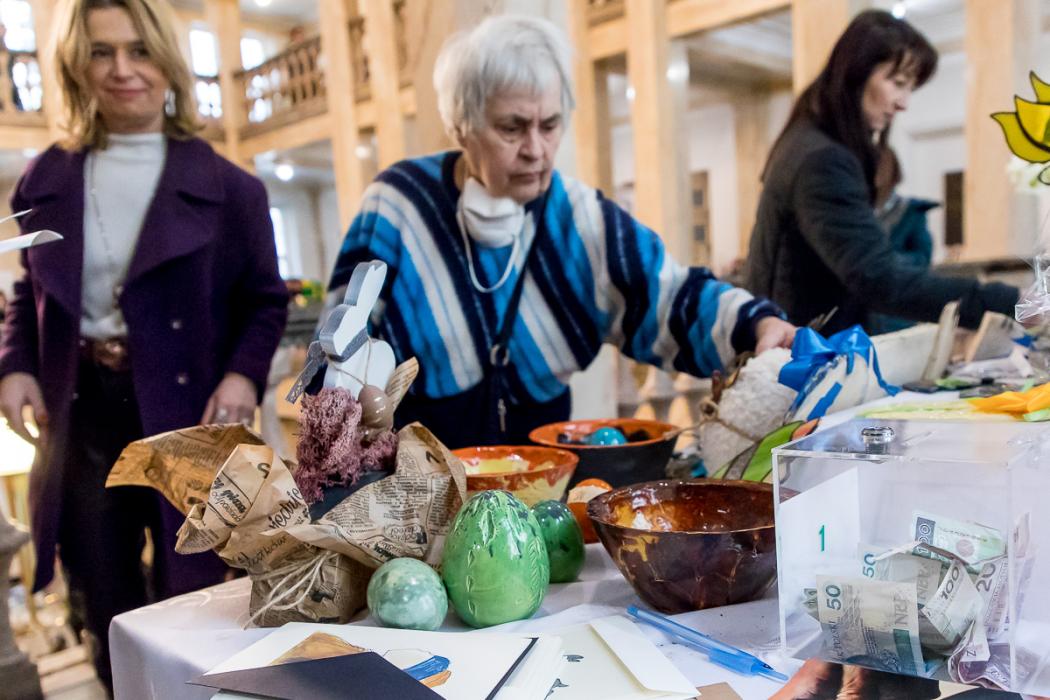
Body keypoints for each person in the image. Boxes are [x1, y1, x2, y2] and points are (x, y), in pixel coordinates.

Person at [326, 15, 796, 450]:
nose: (536, 149)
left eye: (549, 125)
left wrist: (753, 323)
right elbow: (336, 352)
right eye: (512, 128)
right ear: (461, 126)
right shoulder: (399, 207)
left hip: (542, 482)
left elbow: (669, 296)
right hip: (419, 483)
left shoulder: (580, 219)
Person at [0, 0, 288, 689]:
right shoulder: (44, 180)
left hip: (187, 415)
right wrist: (14, 365)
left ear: (167, 62)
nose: (122, 69)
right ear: (77, 66)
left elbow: (266, 301)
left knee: (197, 592)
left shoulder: (233, 189)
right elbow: (27, 291)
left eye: (139, 50)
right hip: (83, 412)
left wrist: (243, 376)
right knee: (103, 594)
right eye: (101, 52)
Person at [745, 10, 1018, 335]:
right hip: (805, 351)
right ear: (855, 74)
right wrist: (1012, 302)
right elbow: (878, 279)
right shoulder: (822, 160)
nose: (903, 103)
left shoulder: (803, 142)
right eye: (898, 83)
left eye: (910, 88)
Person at [868, 145, 938, 334]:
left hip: (896, 313)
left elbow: (922, 259)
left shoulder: (910, 212)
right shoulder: (855, 210)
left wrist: (887, 260)